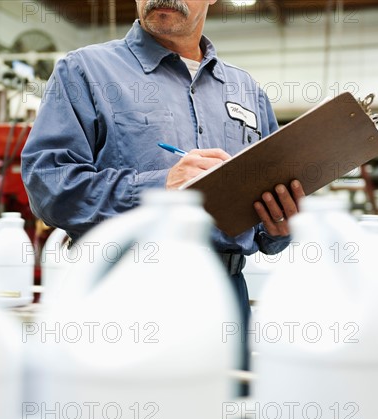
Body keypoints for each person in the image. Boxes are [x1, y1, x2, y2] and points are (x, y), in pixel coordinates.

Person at [21, 0, 305, 311]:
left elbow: (267, 229)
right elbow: (48, 184)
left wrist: (280, 226)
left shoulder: (247, 90)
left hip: (226, 298)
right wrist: (162, 187)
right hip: (121, 293)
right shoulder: (85, 71)